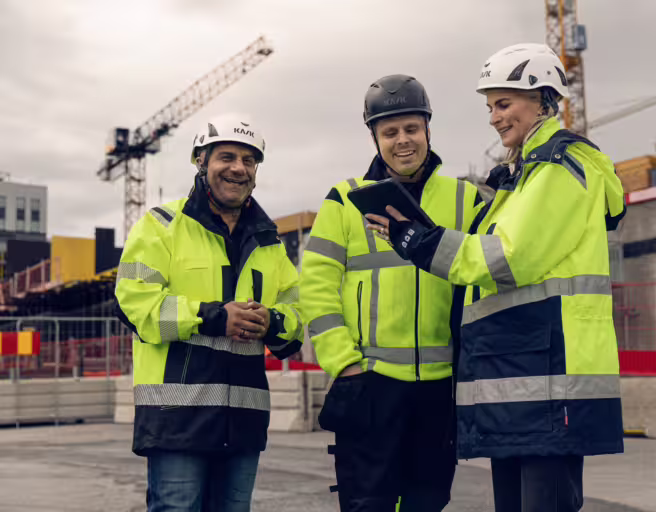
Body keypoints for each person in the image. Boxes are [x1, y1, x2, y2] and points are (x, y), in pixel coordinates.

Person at [366, 44, 626, 512]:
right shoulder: (522, 177)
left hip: (550, 377)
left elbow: (507, 260)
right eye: (490, 107)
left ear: (544, 100)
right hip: (523, 376)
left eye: (503, 104)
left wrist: (417, 241)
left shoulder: (560, 167)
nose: (493, 117)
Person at [299, 74, 484, 512]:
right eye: (390, 132)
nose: (403, 141)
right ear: (374, 137)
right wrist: (344, 364)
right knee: (368, 504)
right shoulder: (346, 199)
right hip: (370, 384)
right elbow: (317, 287)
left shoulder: (467, 199)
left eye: (411, 129)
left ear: (427, 129)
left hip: (440, 389)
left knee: (429, 500)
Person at [115, 113, 303, 512]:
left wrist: (274, 322)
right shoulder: (161, 226)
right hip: (176, 419)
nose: (238, 168)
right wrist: (214, 317)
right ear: (201, 162)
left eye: (249, 160)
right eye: (226, 157)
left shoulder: (269, 244)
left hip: (244, 422)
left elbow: (299, 313)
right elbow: (134, 304)